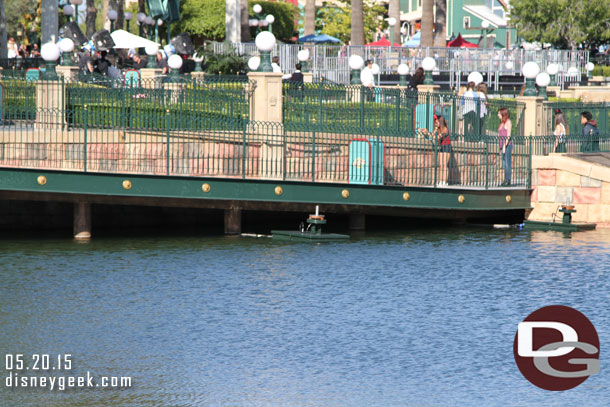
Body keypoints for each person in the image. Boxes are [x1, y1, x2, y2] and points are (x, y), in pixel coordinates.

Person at [498, 107, 512, 186]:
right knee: (504, 163)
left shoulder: (508, 122)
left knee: (507, 163)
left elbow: (508, 135)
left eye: (499, 113)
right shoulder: (501, 123)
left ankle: (508, 179)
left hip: (507, 146)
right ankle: (505, 179)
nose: (498, 115)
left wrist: (504, 146)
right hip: (501, 145)